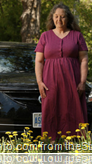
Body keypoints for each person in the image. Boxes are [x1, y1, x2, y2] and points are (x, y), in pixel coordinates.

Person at [34, 3, 88, 141]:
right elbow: (39, 61)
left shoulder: (77, 36)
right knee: (51, 111)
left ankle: (75, 144)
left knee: (73, 110)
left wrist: (82, 82)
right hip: (50, 82)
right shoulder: (45, 36)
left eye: (62, 17)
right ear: (52, 18)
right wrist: (40, 82)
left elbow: (83, 60)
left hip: (72, 80)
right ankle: (51, 144)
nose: (59, 20)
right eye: (56, 16)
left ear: (68, 19)